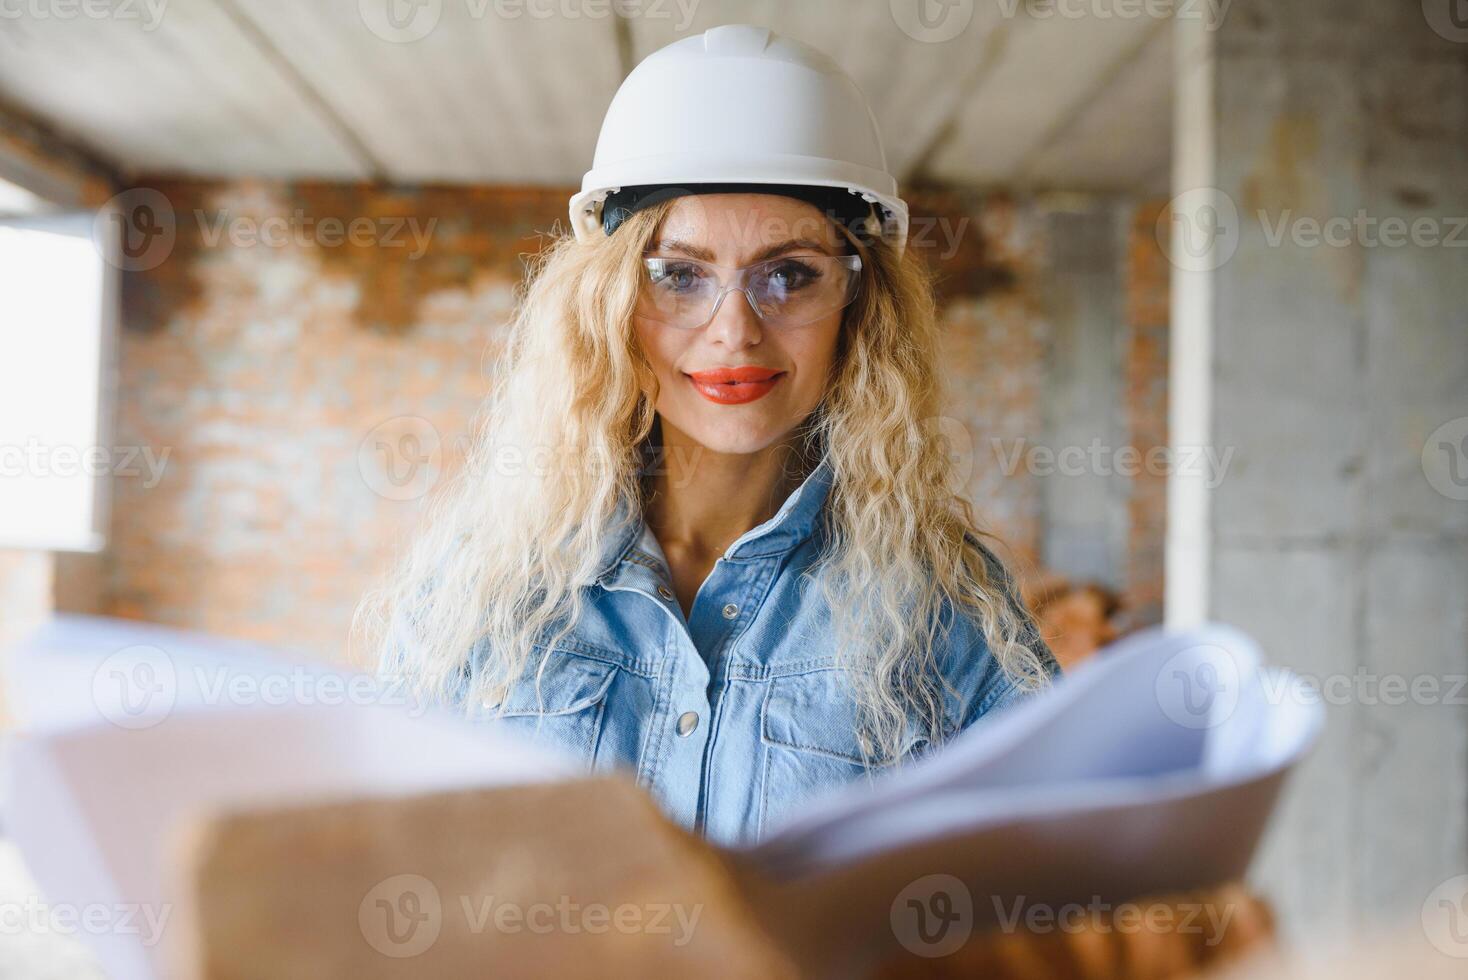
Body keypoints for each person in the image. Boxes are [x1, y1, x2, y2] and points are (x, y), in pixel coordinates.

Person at [362, 24, 1057, 846]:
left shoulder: (945, 609)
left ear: (861, 308)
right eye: (678, 275)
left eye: (790, 275)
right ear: (609, 304)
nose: (734, 332)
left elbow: (1044, 905)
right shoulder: (480, 591)